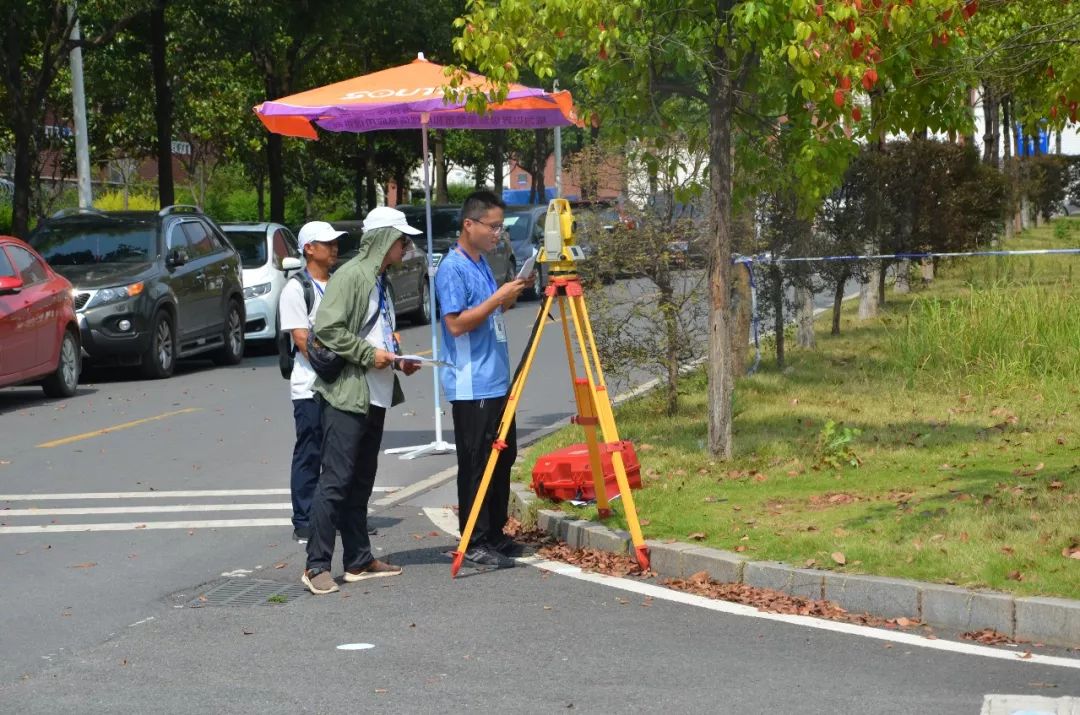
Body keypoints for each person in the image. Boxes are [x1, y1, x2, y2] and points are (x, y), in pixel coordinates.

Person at [301, 207, 422, 595]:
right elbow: (327, 328)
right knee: (335, 480)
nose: (406, 245)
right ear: (385, 240)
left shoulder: (378, 279)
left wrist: (397, 359)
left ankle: (358, 559)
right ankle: (316, 565)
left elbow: (377, 334)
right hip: (348, 393)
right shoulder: (353, 275)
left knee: (361, 480)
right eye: (402, 239)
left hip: (376, 391)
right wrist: (372, 356)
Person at [435, 190, 530, 569]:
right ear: (469, 224)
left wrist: (507, 295)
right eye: (492, 226)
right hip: (471, 383)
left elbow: (488, 311)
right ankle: (472, 537)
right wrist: (497, 299)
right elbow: (456, 324)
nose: (497, 234)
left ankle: (493, 533)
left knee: (502, 459)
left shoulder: (481, 264)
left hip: (496, 380)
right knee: (476, 463)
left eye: (500, 227)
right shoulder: (452, 268)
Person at [278, 221, 341, 545]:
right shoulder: (295, 288)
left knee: (338, 453)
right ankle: (303, 519)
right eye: (326, 242)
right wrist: (339, 358)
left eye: (335, 242)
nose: (334, 247)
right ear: (309, 249)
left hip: (340, 386)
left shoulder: (337, 284)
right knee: (310, 451)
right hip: (310, 386)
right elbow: (302, 340)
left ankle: (337, 515)